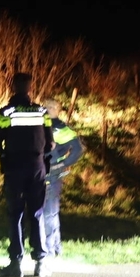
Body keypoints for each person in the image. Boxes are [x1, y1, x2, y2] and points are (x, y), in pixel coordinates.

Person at [0, 72, 54, 277]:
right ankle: (40, 263)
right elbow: (50, 142)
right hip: (37, 167)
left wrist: (6, 153)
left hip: (14, 167)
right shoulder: (41, 111)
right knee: (36, 213)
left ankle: (15, 263)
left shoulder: (6, 112)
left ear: (13, 87)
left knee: (15, 214)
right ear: (30, 88)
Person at [41, 98, 84, 258]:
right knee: (52, 211)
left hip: (48, 172)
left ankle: (49, 250)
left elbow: (78, 149)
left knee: (47, 212)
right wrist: (65, 163)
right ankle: (56, 247)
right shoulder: (64, 129)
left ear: (52, 109)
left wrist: (63, 163)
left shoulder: (44, 127)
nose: (45, 109)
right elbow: (78, 149)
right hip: (55, 172)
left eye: (46, 107)